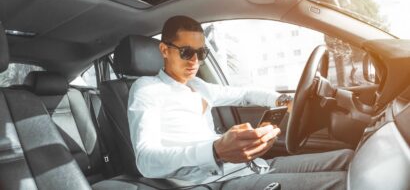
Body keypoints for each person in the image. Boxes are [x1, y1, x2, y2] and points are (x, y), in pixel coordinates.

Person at [128, 16, 353, 189]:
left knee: (347, 159)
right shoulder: (147, 89)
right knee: (343, 184)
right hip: (216, 182)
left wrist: (284, 100)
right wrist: (216, 151)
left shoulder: (200, 86)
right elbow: (146, 161)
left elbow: (245, 94)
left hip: (252, 166)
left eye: (201, 53)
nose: (195, 61)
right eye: (187, 52)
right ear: (164, 50)